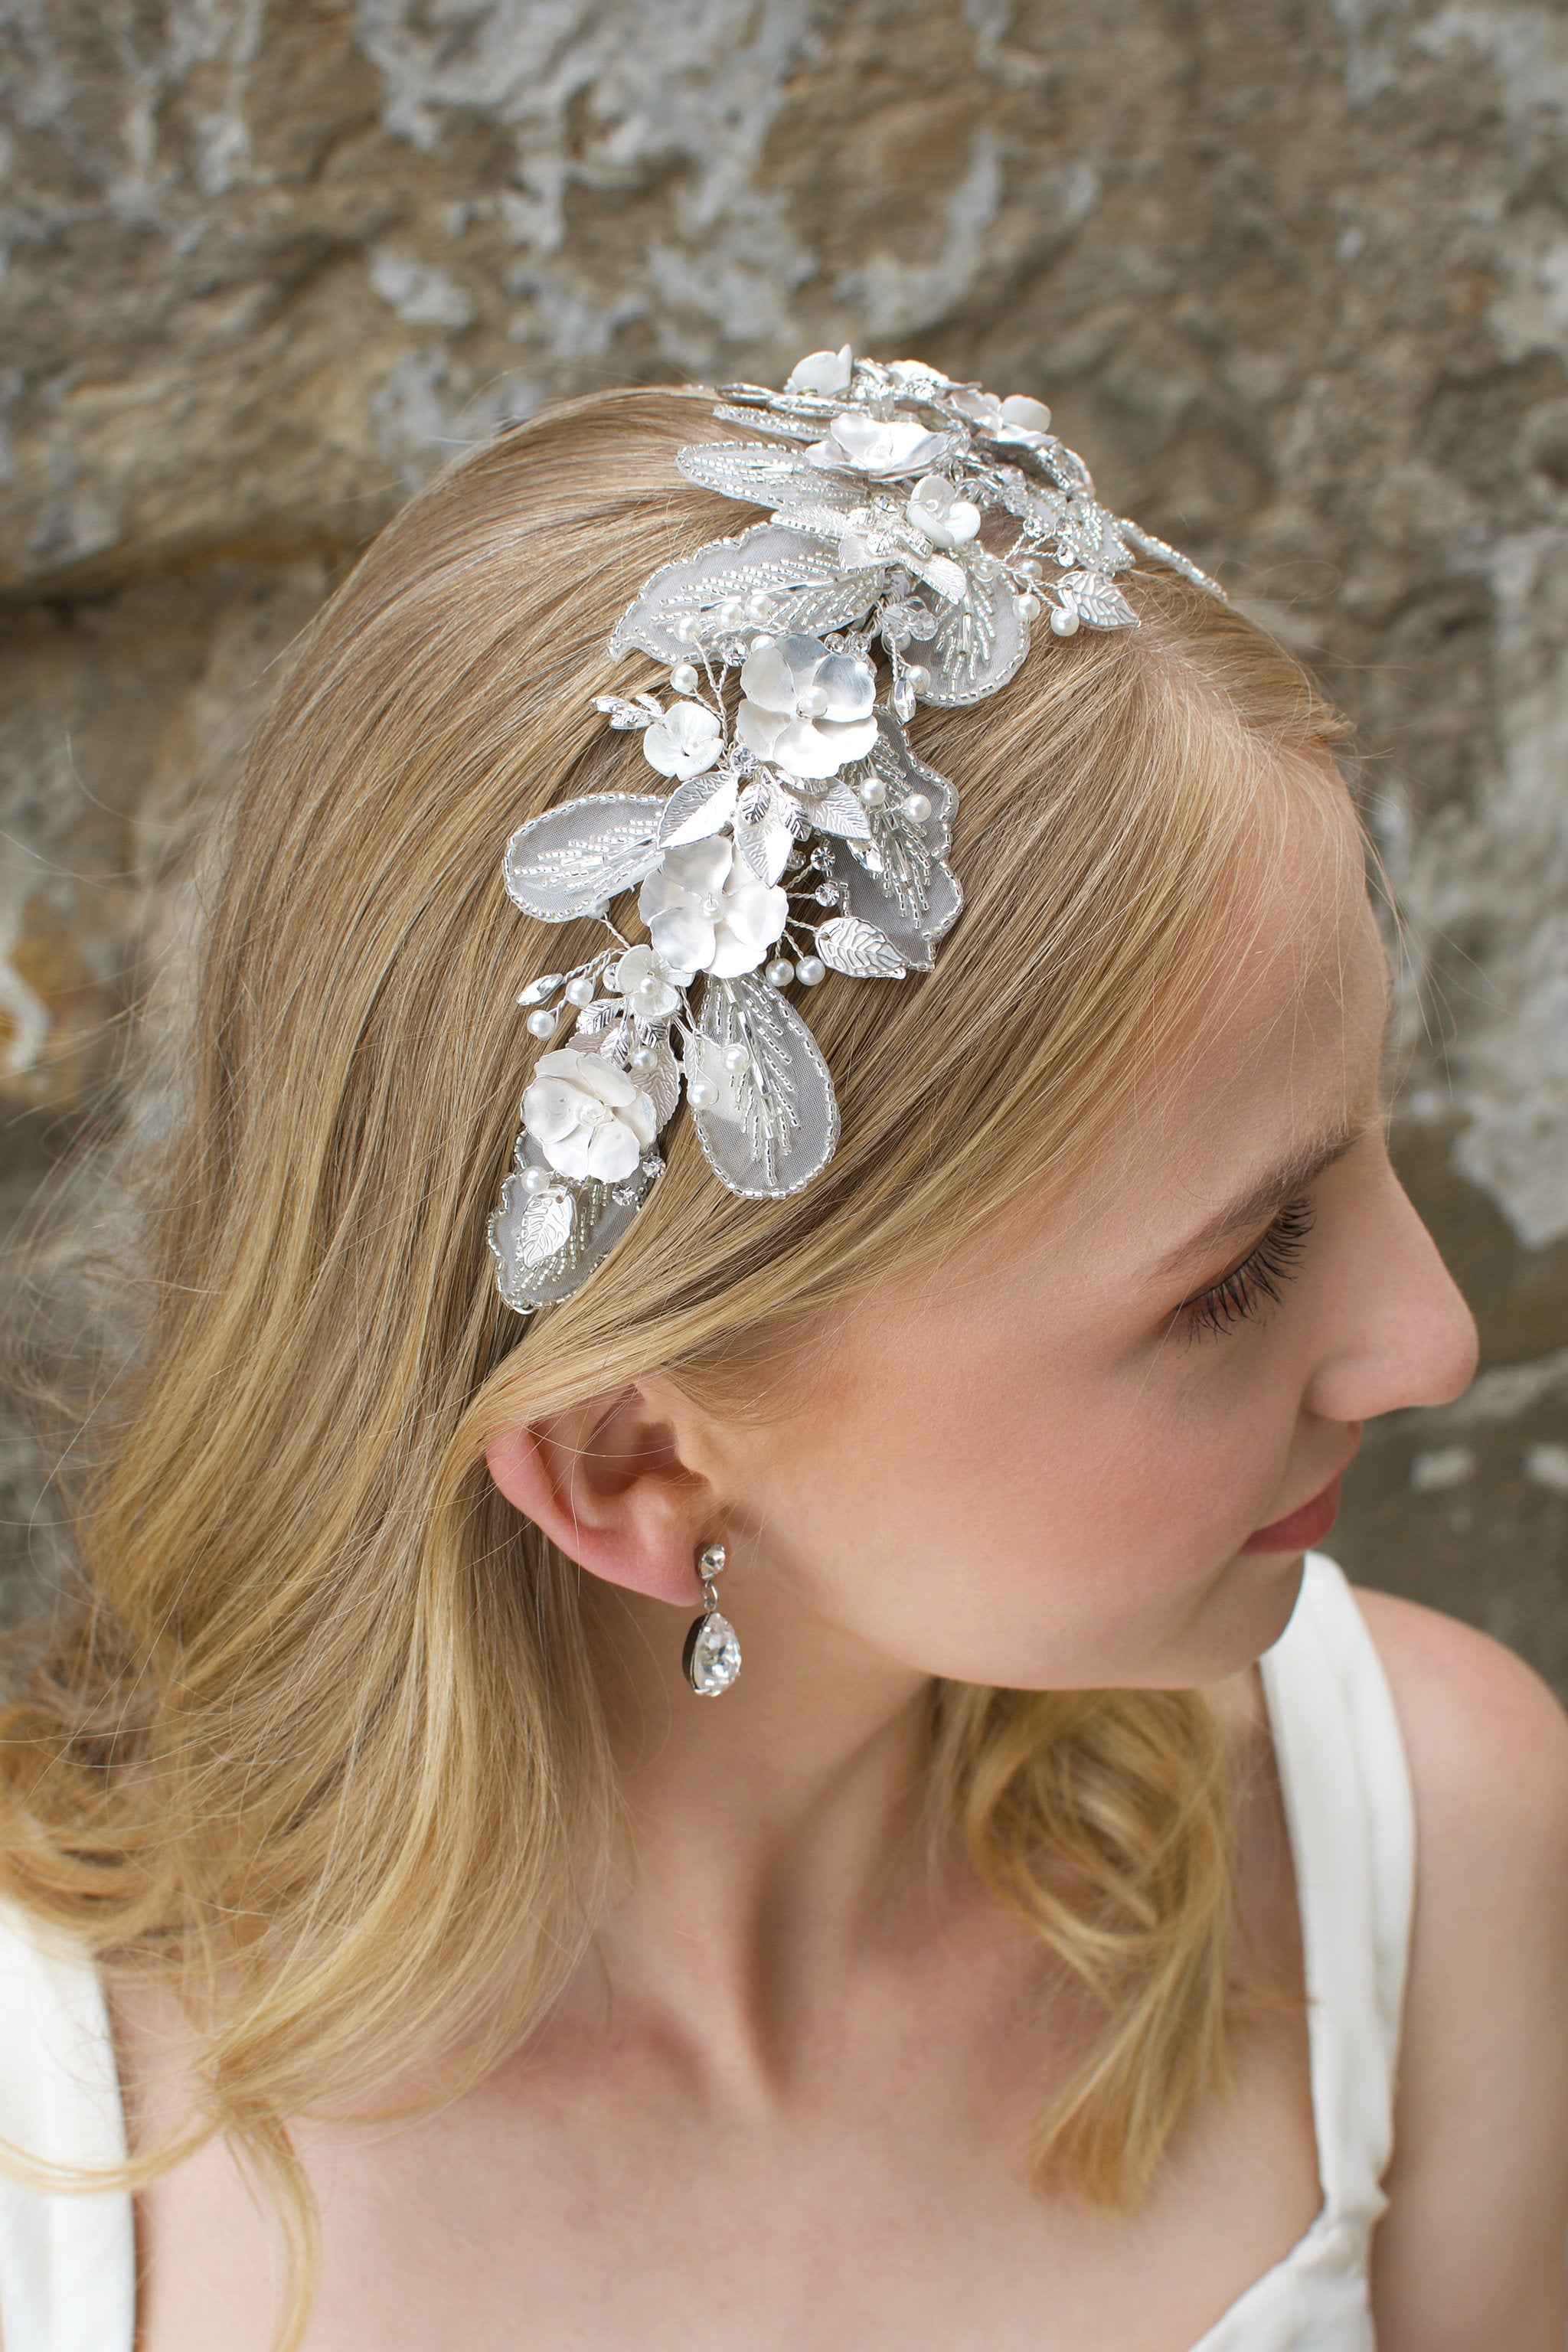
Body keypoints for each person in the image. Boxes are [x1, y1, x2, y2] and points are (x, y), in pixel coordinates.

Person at [0, 354, 1564, 2352]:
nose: (1432, 1340)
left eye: (1366, 1139)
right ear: (637, 1465)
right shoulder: (65, 2175)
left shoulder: (1426, 1859)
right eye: (1238, 1269)